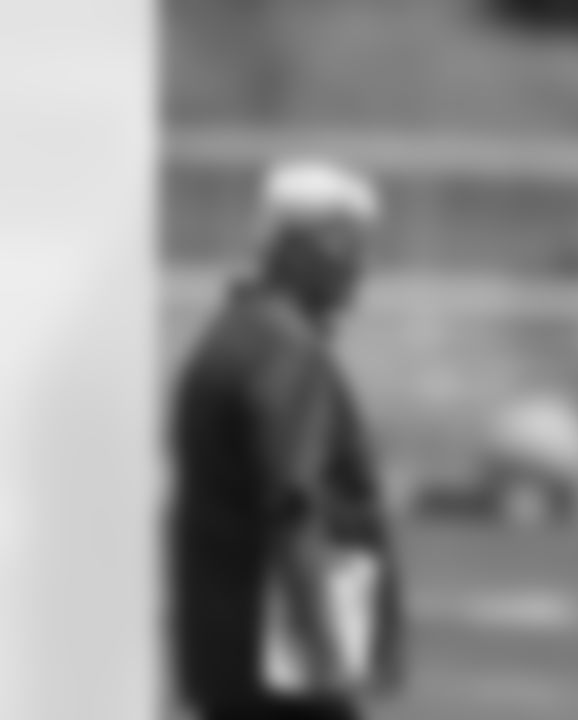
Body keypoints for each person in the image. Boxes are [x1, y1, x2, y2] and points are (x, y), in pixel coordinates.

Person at [168, 160, 405, 720]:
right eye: (347, 244)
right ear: (295, 249)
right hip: (283, 660)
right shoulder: (287, 350)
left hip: (226, 653)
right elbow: (294, 505)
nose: (361, 265)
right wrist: (325, 653)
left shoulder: (230, 332)